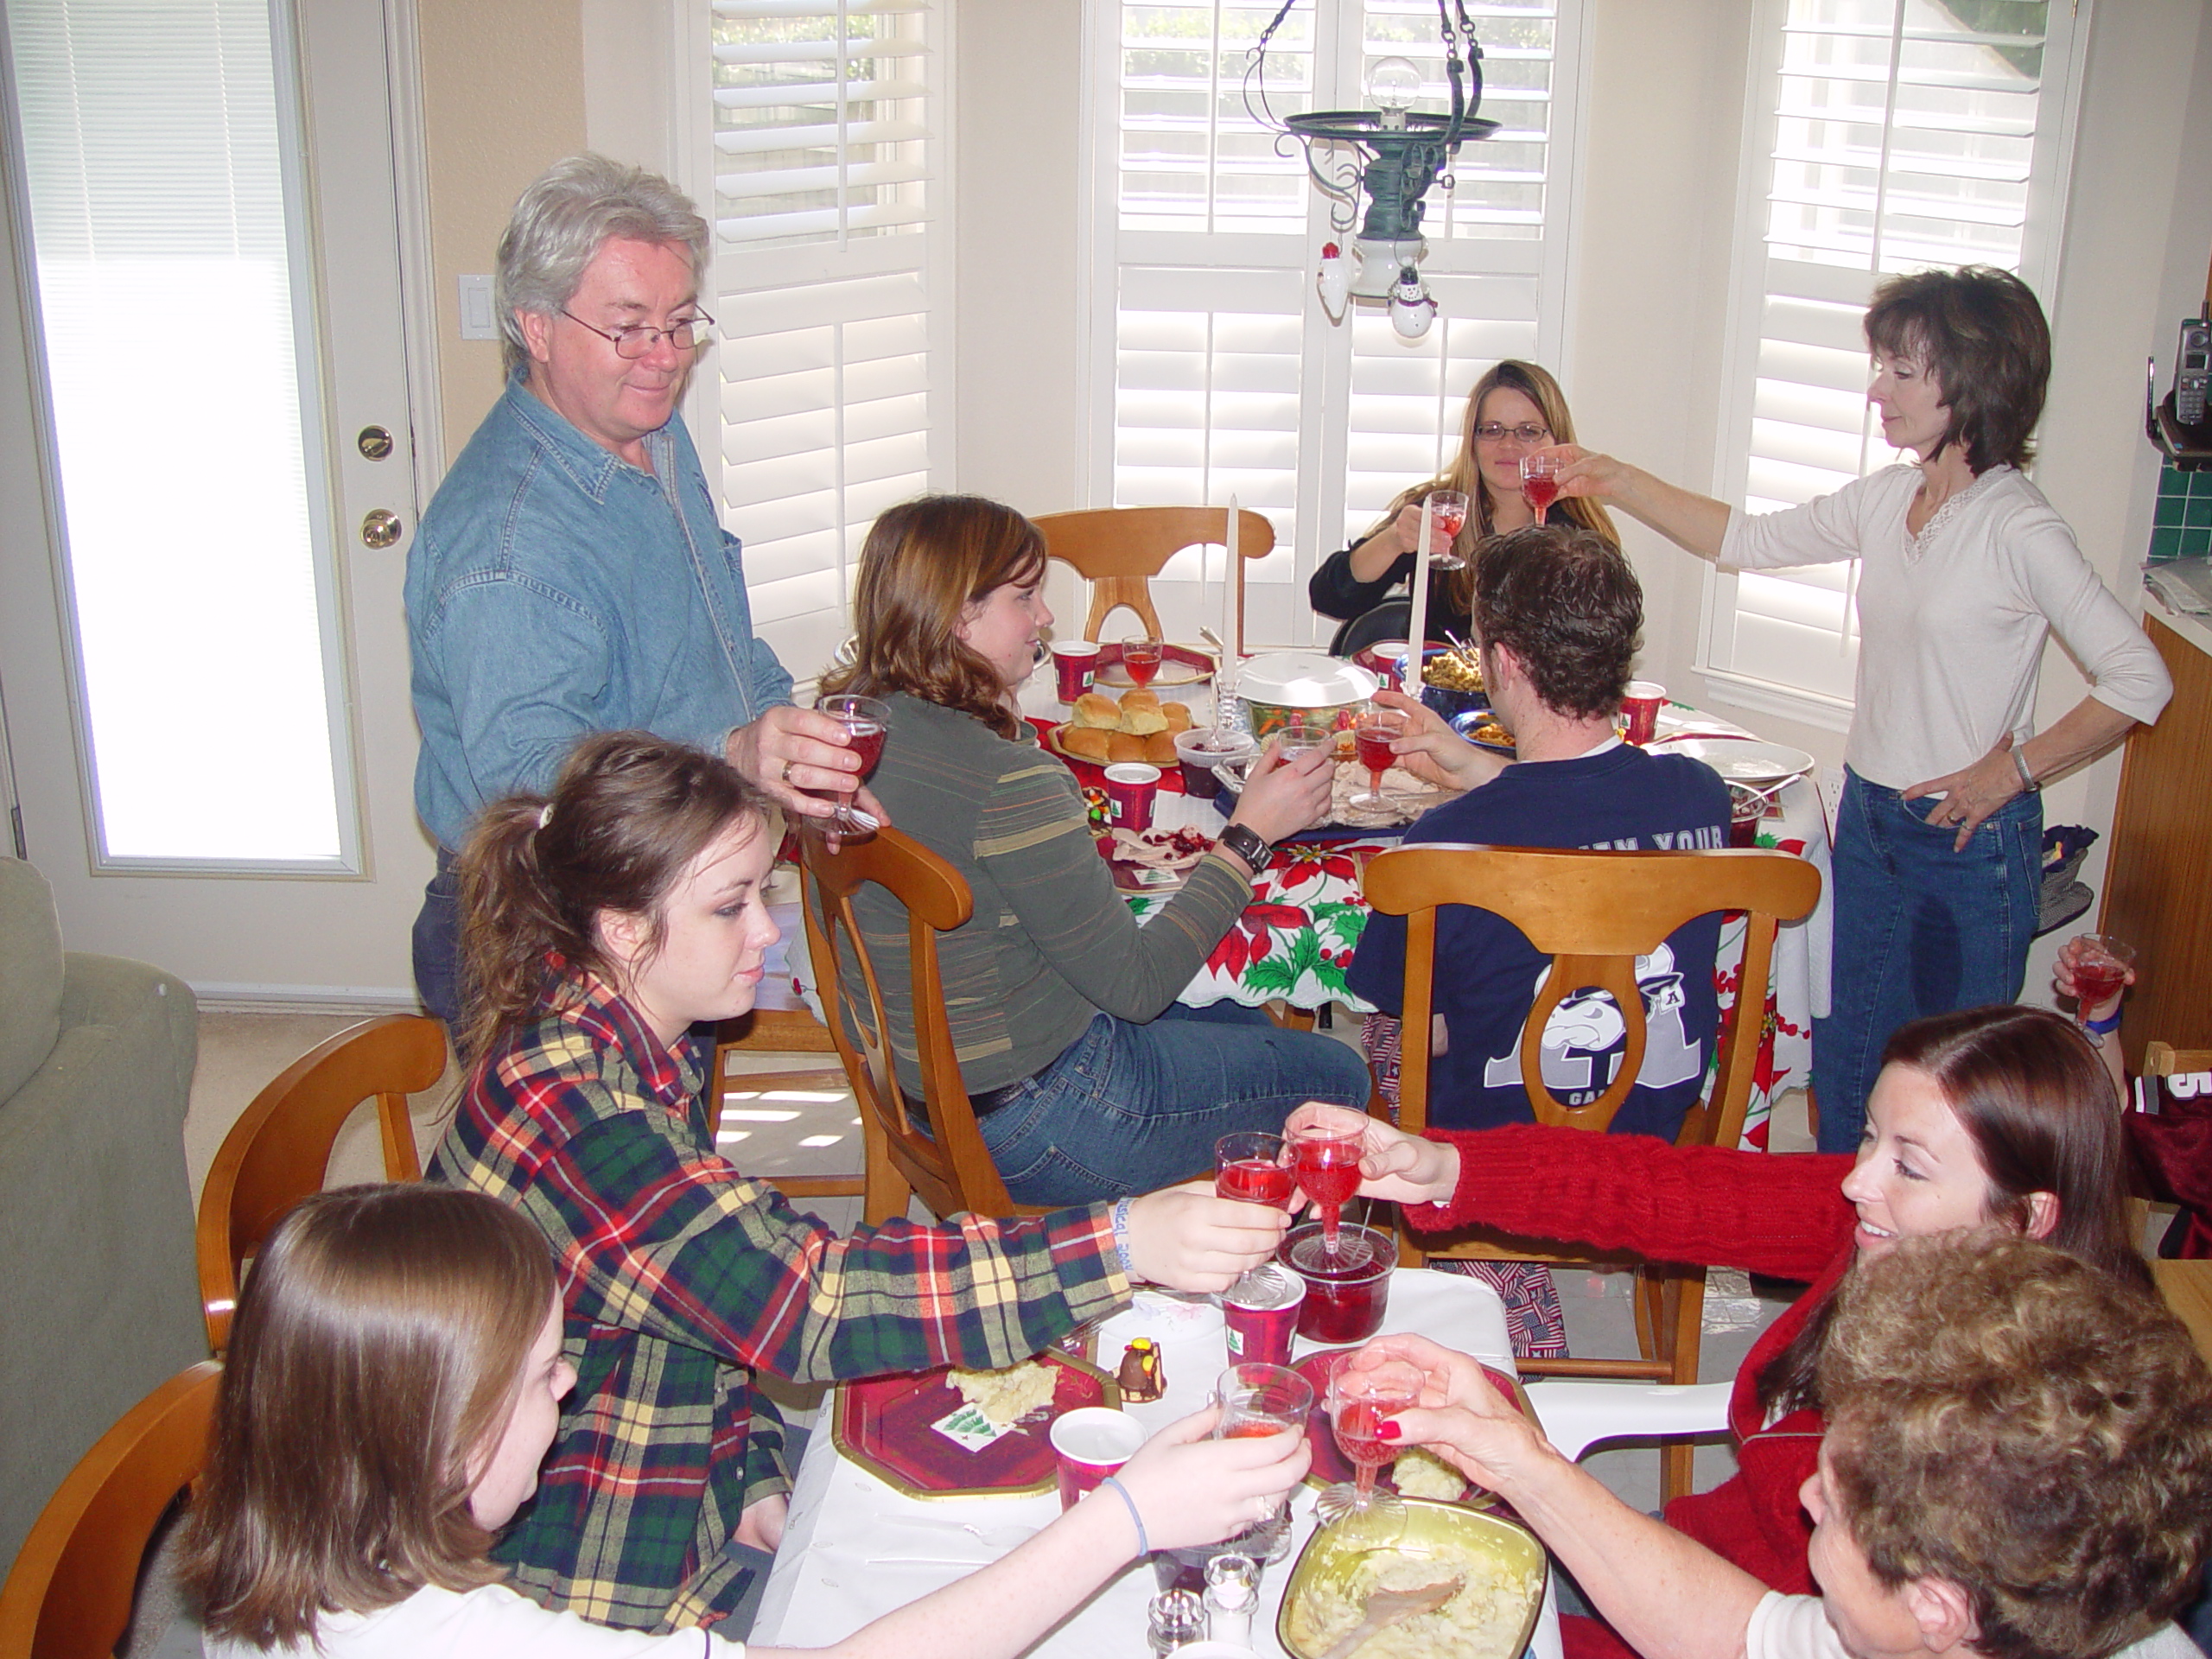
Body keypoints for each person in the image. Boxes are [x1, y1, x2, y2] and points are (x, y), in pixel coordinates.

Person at [430, 729, 1295, 1630]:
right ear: (623, 929)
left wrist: (751, 1472)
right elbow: (812, 1303)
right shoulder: (581, 1121)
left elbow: (701, 1297)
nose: (767, 932)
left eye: (760, 893)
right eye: (730, 907)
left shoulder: (634, 1035)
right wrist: (1119, 1240)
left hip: (682, 1474)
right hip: (597, 1568)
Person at [1289, 1002, 2150, 1647]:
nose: (1856, 1183)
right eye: (1867, 1139)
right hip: (1655, 1565)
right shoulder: (1891, 1232)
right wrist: (1441, 1166)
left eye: (1908, 1165)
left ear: (2024, 1217)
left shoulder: (2024, 1440)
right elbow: (1661, 1190)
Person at [1546, 266, 2171, 1152]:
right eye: (1880, 366)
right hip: (1871, 819)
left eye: (1902, 371)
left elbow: (2139, 679)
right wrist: (1608, 478)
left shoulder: (2017, 527)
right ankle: (1838, 1252)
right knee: (1849, 1066)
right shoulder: (1888, 498)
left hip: (1968, 842)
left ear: (1974, 380)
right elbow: (1743, 540)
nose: (1877, 389)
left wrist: (2012, 769)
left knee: (1959, 1089)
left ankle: (1944, 1280)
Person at [181, 1184, 1309, 1656]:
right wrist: (1124, 1517)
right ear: (434, 1437)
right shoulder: (461, 1640)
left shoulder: (307, 1569)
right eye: (536, 1380)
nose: (567, 1390)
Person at [404, 154, 874, 1028]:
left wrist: (791, 749)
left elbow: (713, 633)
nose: (664, 357)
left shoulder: (645, 430)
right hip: (554, 940)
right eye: (630, 327)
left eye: (680, 322)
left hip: (665, 897)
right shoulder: (509, 547)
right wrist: (731, 753)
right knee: (594, 1165)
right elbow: (526, 778)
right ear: (535, 327)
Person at [816, 493, 1373, 1205]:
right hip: (1043, 1119)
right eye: (1026, 597)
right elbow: (1137, 988)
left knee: (1240, 1020)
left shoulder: (846, 740)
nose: (1046, 616)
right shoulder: (1010, 781)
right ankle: (1247, 1266)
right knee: (1335, 1077)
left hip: (931, 1081)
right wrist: (1249, 837)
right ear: (955, 615)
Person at [1350, 1231, 2212, 1659]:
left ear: (1937, 1609)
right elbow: (1745, 1635)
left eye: (1829, 1512)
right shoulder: (1975, 1610)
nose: (1801, 1497)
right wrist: (1517, 1459)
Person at [1344, 523, 1730, 1141]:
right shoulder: (1701, 795)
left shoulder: (1445, 846)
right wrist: (1479, 770)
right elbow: (1580, 804)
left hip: (1490, 1167)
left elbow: (1424, 1025)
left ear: (1503, 662)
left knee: (1387, 1026)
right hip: (1647, 1151)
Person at [1307, 359, 1619, 648]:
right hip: (1438, 700)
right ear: (1473, 439)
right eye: (1492, 430)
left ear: (1558, 439)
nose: (1508, 445)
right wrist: (1393, 541)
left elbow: (1604, 645)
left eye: (1528, 431)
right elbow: (1329, 598)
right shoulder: (1440, 509)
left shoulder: (1581, 531)